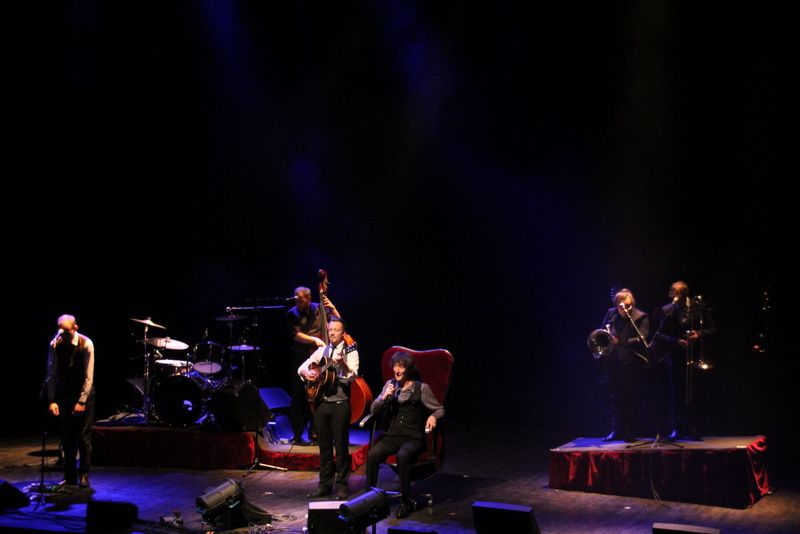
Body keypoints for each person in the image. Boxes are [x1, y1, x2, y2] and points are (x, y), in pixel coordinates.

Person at [365, 352, 445, 518]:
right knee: (373, 454)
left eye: (401, 366)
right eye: (395, 366)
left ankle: (406, 502)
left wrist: (432, 416)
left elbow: (439, 409)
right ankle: (369, 499)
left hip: (413, 437)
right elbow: (373, 410)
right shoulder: (390, 385)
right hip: (393, 435)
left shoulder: (421, 388)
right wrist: (384, 396)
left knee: (403, 456)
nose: (397, 370)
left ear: (408, 369)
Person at [298, 316, 358, 500]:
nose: (332, 333)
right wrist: (308, 373)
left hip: (340, 403)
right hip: (322, 403)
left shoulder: (350, 350)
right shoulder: (322, 351)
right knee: (324, 448)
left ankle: (342, 486)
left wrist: (341, 363)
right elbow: (301, 368)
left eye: (336, 330)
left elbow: (353, 375)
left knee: (340, 447)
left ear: (343, 333)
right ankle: (324, 485)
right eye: (330, 329)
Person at [650, 281, 716, 440]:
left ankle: (694, 428)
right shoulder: (666, 310)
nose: (674, 298)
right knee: (676, 393)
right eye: (672, 294)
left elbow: (712, 329)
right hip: (675, 356)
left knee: (695, 392)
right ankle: (677, 429)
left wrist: (698, 334)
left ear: (685, 294)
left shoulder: (699, 307)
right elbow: (658, 335)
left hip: (694, 355)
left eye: (677, 295)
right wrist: (675, 341)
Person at [286, 286, 342, 445]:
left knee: (317, 396)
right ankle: (297, 436)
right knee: (297, 397)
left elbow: (338, 322)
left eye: (301, 298)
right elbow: (296, 335)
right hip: (301, 356)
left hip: (319, 359)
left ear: (309, 298)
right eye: (295, 298)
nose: (298, 301)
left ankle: (316, 433)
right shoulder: (292, 313)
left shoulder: (320, 309)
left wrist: (332, 308)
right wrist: (314, 340)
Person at [45, 314, 95, 488]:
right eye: (60, 330)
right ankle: (69, 475)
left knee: (83, 436)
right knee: (67, 437)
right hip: (65, 394)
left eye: (66, 330)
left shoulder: (86, 343)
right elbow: (51, 373)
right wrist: (52, 399)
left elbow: (89, 378)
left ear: (75, 328)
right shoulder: (56, 344)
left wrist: (81, 401)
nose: (62, 334)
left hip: (84, 394)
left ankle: (84, 473)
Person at [598, 289, 650, 442]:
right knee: (615, 399)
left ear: (632, 304)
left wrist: (619, 342)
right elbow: (602, 330)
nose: (625, 309)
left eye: (628, 306)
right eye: (621, 307)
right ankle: (616, 430)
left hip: (631, 363)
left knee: (629, 398)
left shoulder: (640, 316)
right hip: (612, 362)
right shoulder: (611, 313)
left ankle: (630, 431)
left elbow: (642, 338)